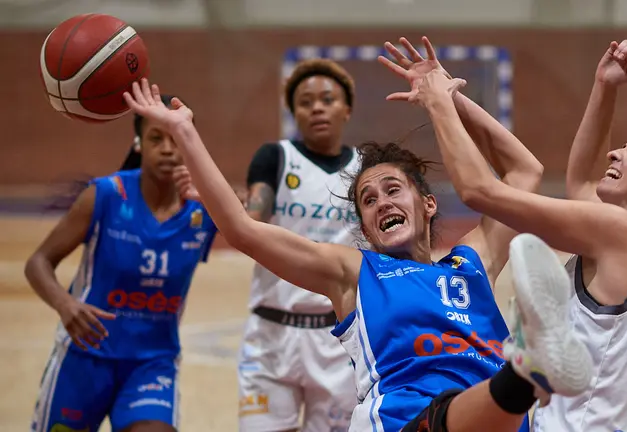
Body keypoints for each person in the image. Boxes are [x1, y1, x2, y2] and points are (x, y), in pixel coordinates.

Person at [123, 37, 594, 432]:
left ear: (428, 204)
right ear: (365, 226)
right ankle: (527, 369)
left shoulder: (473, 261)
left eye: (393, 190)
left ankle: (526, 371)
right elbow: (244, 229)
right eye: (368, 201)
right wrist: (185, 132)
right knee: (449, 414)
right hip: (405, 419)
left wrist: (448, 97)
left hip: (496, 423)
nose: (382, 202)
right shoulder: (354, 271)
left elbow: (525, 171)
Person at [400, 39, 627, 431]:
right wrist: (605, 85)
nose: (616, 153)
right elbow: (583, 182)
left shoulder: (623, 234)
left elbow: (480, 192)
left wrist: (440, 104)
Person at [26, 95, 218, 432]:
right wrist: (65, 304)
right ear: (139, 143)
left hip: (152, 363)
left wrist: (216, 197)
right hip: (85, 356)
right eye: (157, 138)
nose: (168, 148)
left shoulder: (205, 211)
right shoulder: (105, 195)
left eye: (176, 138)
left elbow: (255, 225)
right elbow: (38, 262)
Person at [238, 58, 360, 432]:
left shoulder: (366, 168)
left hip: (339, 338)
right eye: (306, 102)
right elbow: (251, 222)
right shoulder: (275, 157)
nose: (317, 107)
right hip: (272, 335)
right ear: (293, 113)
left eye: (327, 99)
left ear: (347, 110)